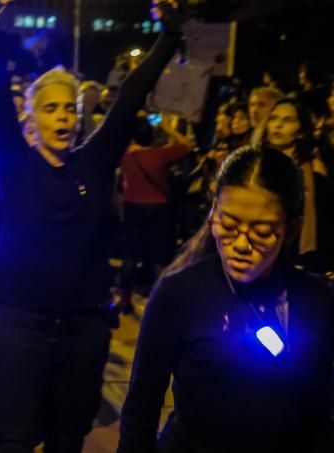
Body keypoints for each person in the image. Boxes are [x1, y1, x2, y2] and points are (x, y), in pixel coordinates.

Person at [0, 0, 184, 452]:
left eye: (70, 109)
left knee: (68, 439)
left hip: (82, 327)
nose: (64, 117)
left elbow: (129, 98)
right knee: (13, 440)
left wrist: (169, 37)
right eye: (51, 109)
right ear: (32, 119)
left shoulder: (95, 162)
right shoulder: (14, 162)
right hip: (16, 324)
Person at [118, 145, 334, 453]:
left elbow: (320, 407)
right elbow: (141, 409)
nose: (241, 244)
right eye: (228, 226)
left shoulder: (317, 300)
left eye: (261, 231)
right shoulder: (178, 294)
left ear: (291, 228)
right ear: (212, 215)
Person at [119, 114, 193, 303]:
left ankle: (124, 298)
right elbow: (187, 145)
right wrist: (168, 127)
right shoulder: (161, 154)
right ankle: (158, 300)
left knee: (130, 254)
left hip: (132, 206)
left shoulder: (126, 155)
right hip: (159, 207)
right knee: (158, 254)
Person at [265, 98, 333, 267]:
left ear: (301, 130)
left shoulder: (314, 168)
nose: (278, 125)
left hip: (300, 256)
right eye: (273, 118)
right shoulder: (256, 163)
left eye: (288, 120)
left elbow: (324, 219)